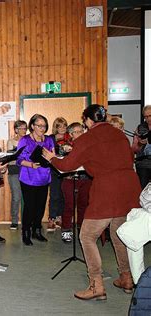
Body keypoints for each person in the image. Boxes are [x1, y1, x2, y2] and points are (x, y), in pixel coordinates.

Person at [43, 104, 141, 300]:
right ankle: (127, 278)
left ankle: (96, 285)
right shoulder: (119, 134)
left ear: (87, 120)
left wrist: (52, 158)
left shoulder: (87, 138)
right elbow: (129, 156)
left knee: (87, 236)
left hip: (107, 190)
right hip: (129, 189)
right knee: (118, 234)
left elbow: (67, 165)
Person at [16, 114, 54, 245]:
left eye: (44, 126)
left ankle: (37, 231)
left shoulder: (49, 140)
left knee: (40, 207)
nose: (42, 128)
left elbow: (52, 155)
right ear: (32, 126)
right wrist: (31, 164)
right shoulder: (25, 140)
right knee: (29, 207)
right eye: (39, 125)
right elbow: (19, 159)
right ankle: (26, 232)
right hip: (28, 178)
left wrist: (51, 157)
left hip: (44, 177)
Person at [59, 122, 92, 243]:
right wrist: (65, 150)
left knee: (83, 206)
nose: (80, 134)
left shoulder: (88, 144)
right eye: (76, 132)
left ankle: (81, 230)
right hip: (70, 180)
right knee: (69, 206)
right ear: (71, 134)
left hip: (86, 179)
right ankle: (66, 229)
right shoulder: (66, 144)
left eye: (81, 131)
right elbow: (60, 152)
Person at [47, 117, 69, 232]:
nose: (62, 128)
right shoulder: (50, 138)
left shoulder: (69, 138)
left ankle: (60, 217)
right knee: (54, 195)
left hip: (66, 171)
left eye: (64, 126)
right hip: (54, 170)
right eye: (60, 126)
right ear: (56, 127)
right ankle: (51, 218)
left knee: (63, 196)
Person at [6, 120, 27, 230]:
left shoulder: (29, 141)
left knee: (28, 197)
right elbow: (10, 160)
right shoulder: (11, 141)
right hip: (14, 172)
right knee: (16, 197)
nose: (24, 130)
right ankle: (14, 220)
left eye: (25, 128)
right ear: (16, 130)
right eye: (21, 128)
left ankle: (27, 220)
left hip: (27, 172)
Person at [132, 105, 151, 189]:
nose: (148, 119)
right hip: (143, 164)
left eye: (150, 116)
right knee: (142, 191)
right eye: (146, 117)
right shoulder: (140, 128)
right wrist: (139, 143)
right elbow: (134, 148)